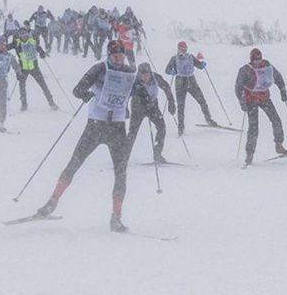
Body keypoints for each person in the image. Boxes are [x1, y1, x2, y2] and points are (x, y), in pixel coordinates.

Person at [34, 40, 137, 232]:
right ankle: (52, 202)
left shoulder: (129, 72)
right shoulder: (99, 69)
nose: (119, 60)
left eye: (122, 57)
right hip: (96, 125)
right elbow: (77, 89)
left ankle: (116, 217)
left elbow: (137, 90)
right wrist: (86, 95)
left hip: (117, 127)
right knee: (75, 163)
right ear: (109, 55)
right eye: (115, 57)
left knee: (121, 174)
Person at [234, 48, 287, 165]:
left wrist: (282, 90)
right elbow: (238, 87)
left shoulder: (267, 65)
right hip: (250, 100)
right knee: (254, 128)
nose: (258, 62)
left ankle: (279, 145)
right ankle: (250, 153)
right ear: (251, 60)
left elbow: (277, 76)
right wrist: (242, 102)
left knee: (276, 120)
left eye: (259, 59)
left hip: (264, 98)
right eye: (255, 60)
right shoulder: (245, 70)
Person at [128, 62, 176, 163]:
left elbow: (166, 87)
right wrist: (124, 108)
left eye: (147, 74)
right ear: (139, 74)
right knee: (132, 133)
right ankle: (123, 156)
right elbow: (126, 94)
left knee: (161, 127)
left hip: (152, 106)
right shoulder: (134, 82)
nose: (146, 77)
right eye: (143, 75)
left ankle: (157, 154)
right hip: (138, 108)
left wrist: (171, 102)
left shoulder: (156, 77)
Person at [166, 41, 217, 134]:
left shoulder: (190, 57)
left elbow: (198, 65)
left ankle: (209, 120)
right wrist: (172, 71)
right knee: (181, 106)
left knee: (201, 101)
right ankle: (181, 127)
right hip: (181, 82)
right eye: (181, 48)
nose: (183, 50)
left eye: (184, 48)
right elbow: (167, 70)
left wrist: (202, 65)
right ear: (178, 49)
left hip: (190, 81)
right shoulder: (174, 59)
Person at [9, 27, 58, 112]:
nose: (24, 37)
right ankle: (24, 105)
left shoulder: (32, 41)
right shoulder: (17, 43)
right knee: (22, 86)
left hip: (34, 68)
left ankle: (52, 103)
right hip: (23, 69)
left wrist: (42, 53)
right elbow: (7, 47)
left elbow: (39, 48)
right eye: (22, 35)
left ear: (28, 35)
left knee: (43, 85)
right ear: (20, 36)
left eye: (25, 35)